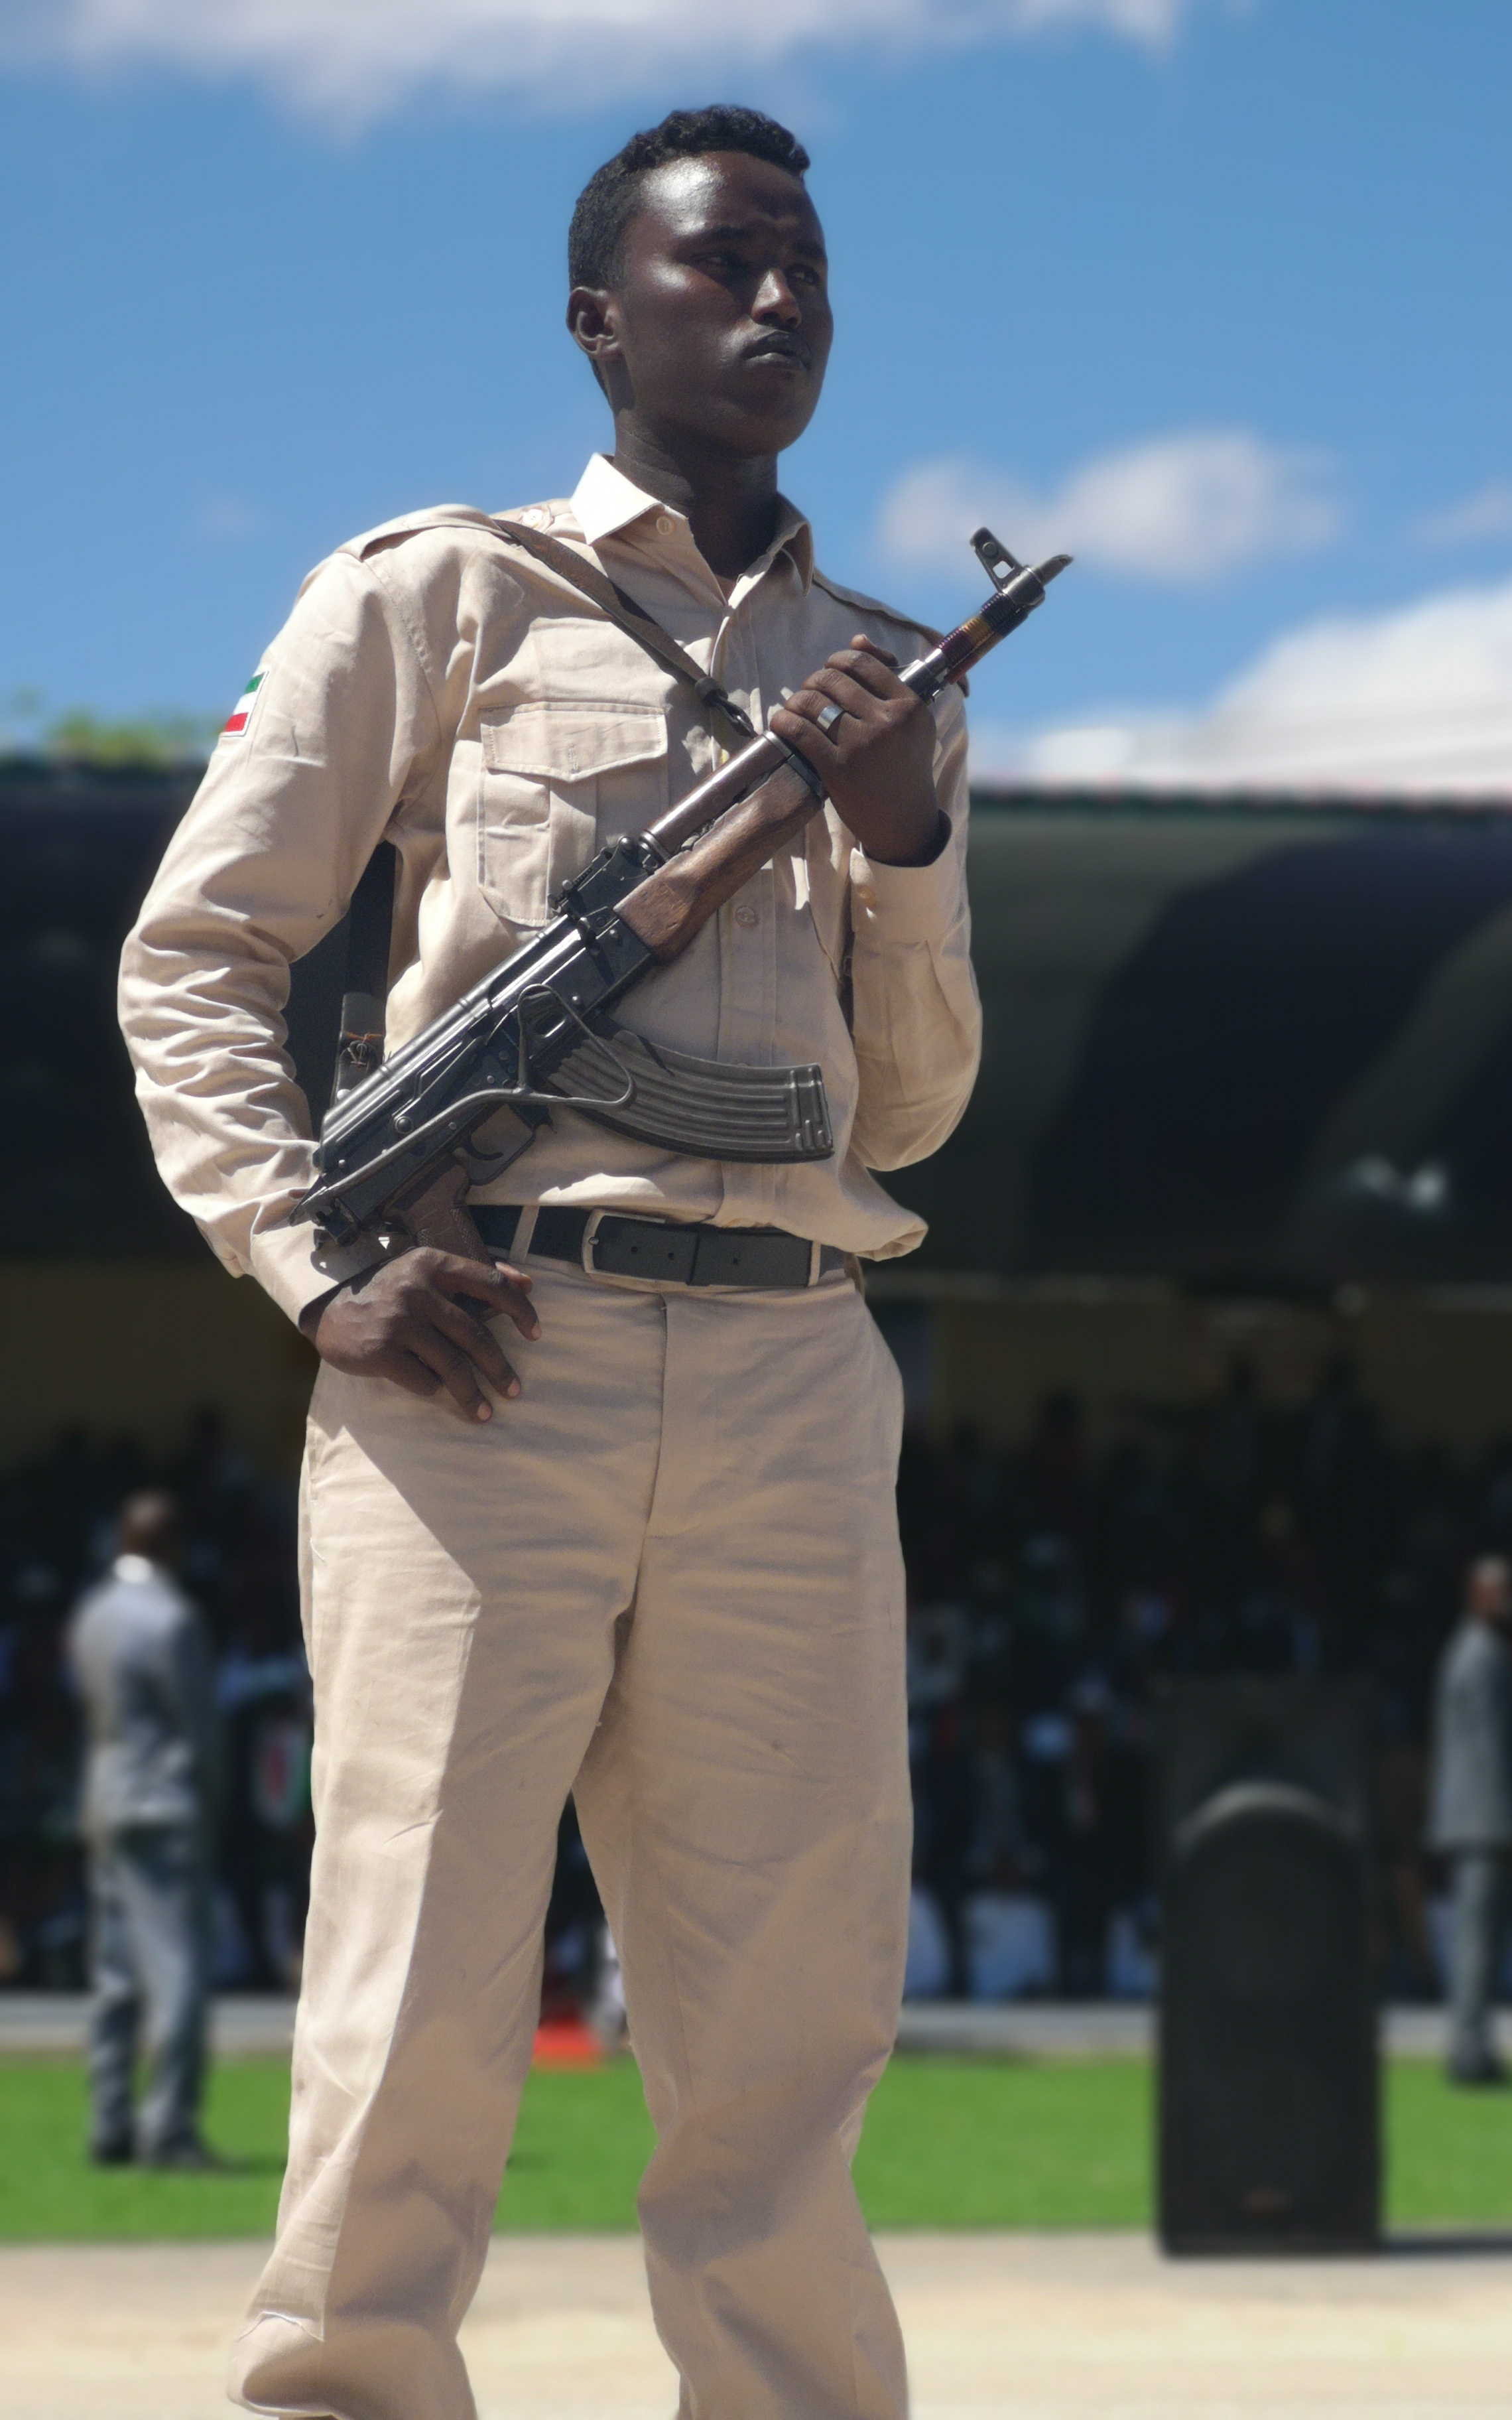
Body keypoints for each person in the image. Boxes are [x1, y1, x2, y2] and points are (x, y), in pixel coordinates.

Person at [119, 103, 979, 2420]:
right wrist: (311, 1263)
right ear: (603, 319)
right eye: (723, 267)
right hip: (480, 1356)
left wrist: (898, 840)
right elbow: (199, 955)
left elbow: (899, 1114)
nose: (778, 303)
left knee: (785, 2020)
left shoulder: (885, 674)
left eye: (805, 266)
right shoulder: (437, 590)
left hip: (796, 1372)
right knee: (412, 1984)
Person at [66, 1490, 217, 2165]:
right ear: (174, 1545)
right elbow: (200, 1729)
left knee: (116, 1973)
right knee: (178, 1969)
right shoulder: (172, 1620)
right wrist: (213, 1800)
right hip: (163, 1805)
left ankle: (109, 2125)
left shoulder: (93, 1614)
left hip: (106, 1798)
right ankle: (170, 2128)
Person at [1427, 1555, 1512, 2084]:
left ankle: (1475, 2046)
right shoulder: (1481, 1655)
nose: (1509, 1599)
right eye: (1499, 1590)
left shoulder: (1478, 1652)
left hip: (1478, 1820)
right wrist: (1510, 1824)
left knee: (1484, 1941)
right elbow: (1489, 1750)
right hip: (1484, 1822)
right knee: (1477, 1941)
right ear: (1475, 1595)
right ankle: (1469, 2053)